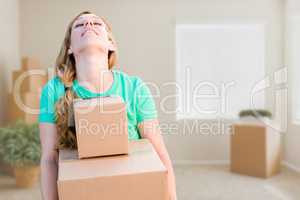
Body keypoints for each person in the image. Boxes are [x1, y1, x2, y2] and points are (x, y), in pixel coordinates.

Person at [39, 11, 177, 200]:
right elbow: (50, 159)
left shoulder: (134, 87)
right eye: (80, 25)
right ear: (70, 47)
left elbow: (159, 152)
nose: (88, 25)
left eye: (97, 23)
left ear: (110, 43)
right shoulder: (54, 90)